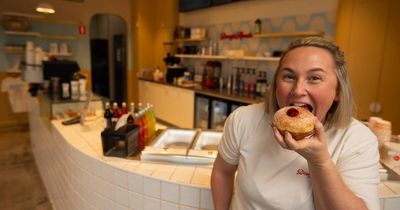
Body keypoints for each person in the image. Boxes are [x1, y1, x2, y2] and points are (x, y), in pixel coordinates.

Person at [211, 37, 380, 210]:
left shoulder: (358, 140)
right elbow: (222, 172)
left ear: (338, 91)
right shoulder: (244, 119)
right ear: (276, 83)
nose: (298, 90)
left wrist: (319, 161)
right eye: (289, 76)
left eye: (314, 78)